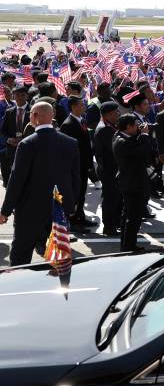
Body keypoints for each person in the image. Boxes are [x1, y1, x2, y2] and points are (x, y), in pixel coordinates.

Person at [0, 102, 80, 266]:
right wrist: (72, 204)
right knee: (59, 258)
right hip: (60, 207)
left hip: (30, 208)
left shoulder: (27, 144)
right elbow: (75, 178)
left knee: (21, 257)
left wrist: (5, 210)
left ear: (35, 116)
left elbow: (17, 179)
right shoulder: (70, 143)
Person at [112, 113, 152, 252]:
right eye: (135, 125)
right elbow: (142, 152)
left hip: (129, 182)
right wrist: (145, 136)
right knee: (133, 217)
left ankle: (126, 244)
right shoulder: (123, 142)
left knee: (128, 215)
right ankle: (129, 246)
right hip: (133, 184)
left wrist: (140, 134)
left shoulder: (120, 136)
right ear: (128, 127)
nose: (138, 128)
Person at [60, 96, 96, 231]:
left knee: (81, 193)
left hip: (84, 164)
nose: (84, 107)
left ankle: (80, 216)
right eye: (81, 105)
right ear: (73, 107)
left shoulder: (82, 120)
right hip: (75, 166)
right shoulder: (68, 124)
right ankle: (73, 221)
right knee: (75, 194)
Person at [93, 101, 122, 237]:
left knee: (114, 198)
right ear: (108, 114)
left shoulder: (109, 126)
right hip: (108, 170)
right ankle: (109, 226)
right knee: (110, 198)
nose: (118, 114)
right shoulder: (105, 129)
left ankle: (115, 223)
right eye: (116, 112)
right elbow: (115, 148)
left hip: (111, 169)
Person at [0, 86, 30, 187]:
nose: (20, 98)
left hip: (28, 149)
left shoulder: (32, 111)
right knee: (14, 176)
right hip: (12, 150)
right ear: (13, 96)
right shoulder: (9, 111)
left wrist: (25, 139)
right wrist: (8, 139)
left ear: (27, 96)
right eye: (17, 95)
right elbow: (3, 131)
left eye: (23, 95)